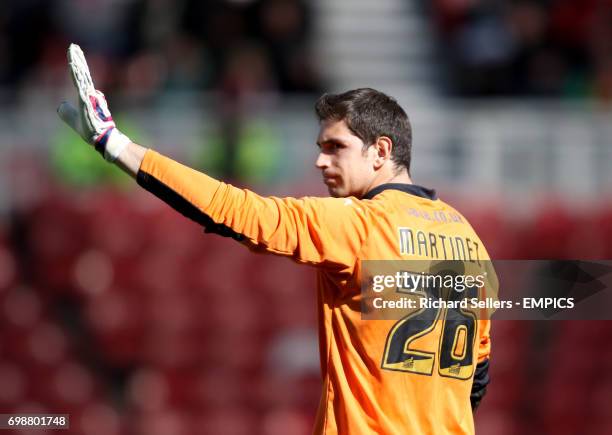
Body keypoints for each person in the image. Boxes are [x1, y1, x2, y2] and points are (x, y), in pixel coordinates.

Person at [58, 44, 491, 434]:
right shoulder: (469, 239)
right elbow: (477, 378)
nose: (320, 161)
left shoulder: (356, 224)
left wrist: (116, 145)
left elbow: (233, 210)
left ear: (380, 151)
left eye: (335, 147)